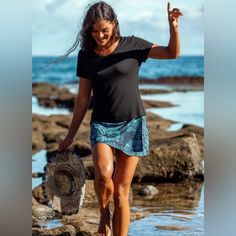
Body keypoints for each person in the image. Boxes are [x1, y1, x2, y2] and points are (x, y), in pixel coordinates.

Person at [58, 1, 182, 236]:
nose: (99, 35)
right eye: (94, 31)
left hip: (133, 124)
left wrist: (173, 27)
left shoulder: (133, 45)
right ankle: (104, 214)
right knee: (104, 175)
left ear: (114, 24)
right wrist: (70, 135)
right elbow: (83, 99)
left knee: (121, 192)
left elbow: (171, 53)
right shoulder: (86, 55)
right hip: (102, 125)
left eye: (104, 30)